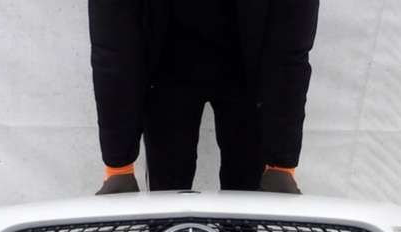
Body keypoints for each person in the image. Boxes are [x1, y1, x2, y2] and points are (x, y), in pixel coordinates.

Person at [89, 0, 319, 195]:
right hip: (166, 67)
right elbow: (114, 42)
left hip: (249, 73)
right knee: (168, 203)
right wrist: (119, 166)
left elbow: (290, 41)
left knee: (245, 201)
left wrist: (281, 163)